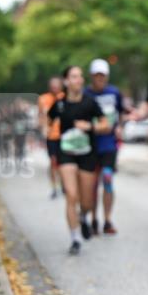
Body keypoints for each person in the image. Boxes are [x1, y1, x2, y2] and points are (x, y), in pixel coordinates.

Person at [49, 65, 111, 255]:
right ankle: (75, 238)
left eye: (80, 77)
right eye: (74, 77)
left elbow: (105, 124)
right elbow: (46, 120)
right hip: (66, 152)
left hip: (87, 153)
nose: (79, 80)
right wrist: (47, 132)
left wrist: (90, 126)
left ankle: (83, 216)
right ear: (66, 81)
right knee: (71, 195)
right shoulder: (59, 104)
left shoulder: (90, 102)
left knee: (86, 201)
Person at [86, 59, 126, 235]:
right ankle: (93, 219)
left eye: (102, 75)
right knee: (93, 184)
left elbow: (121, 113)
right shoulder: (85, 94)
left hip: (109, 144)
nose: (100, 79)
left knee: (108, 180)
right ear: (91, 76)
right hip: (90, 145)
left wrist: (119, 127)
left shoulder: (114, 93)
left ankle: (107, 220)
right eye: (97, 75)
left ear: (107, 76)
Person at [39, 77, 64, 198]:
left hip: (64, 136)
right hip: (51, 136)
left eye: (57, 85)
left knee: (63, 163)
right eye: (52, 85)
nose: (55, 87)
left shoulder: (65, 97)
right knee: (53, 161)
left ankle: (64, 184)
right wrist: (43, 128)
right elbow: (41, 117)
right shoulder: (43, 99)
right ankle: (54, 187)